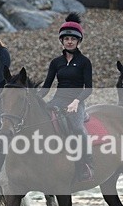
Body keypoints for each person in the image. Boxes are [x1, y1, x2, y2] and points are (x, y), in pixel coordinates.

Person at [38, 13, 94, 182]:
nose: (70, 41)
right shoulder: (56, 62)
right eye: (67, 38)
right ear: (61, 40)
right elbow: (47, 86)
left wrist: (77, 102)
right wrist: (34, 98)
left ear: (78, 41)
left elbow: (89, 88)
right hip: (57, 99)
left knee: (77, 129)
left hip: (77, 100)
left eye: (73, 39)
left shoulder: (84, 62)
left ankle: (86, 163)